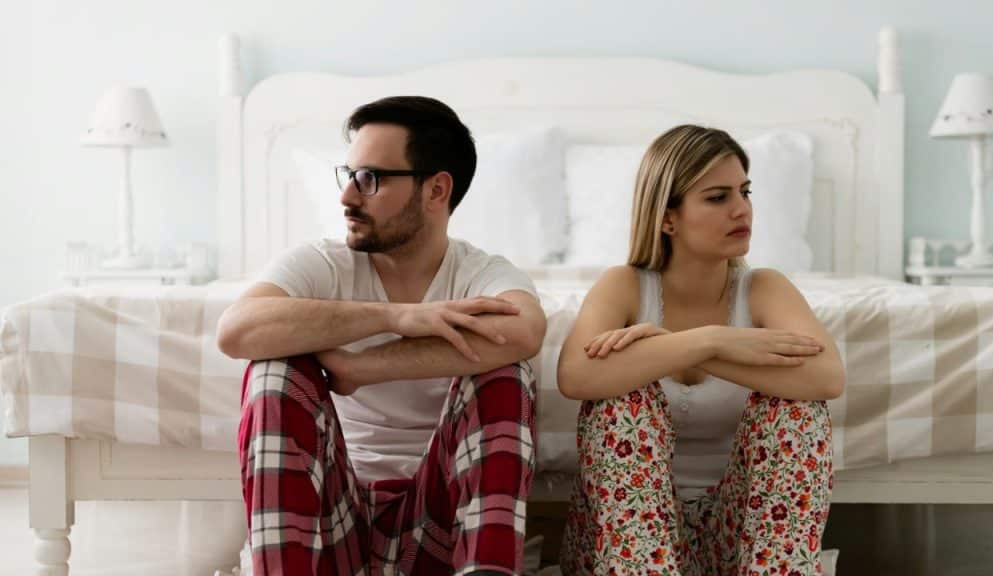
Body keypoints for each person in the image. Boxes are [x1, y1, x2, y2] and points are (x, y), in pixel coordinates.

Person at [217, 96, 546, 576]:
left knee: (507, 371)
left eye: (370, 179)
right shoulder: (323, 262)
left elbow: (525, 332)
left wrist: (363, 367)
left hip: (438, 524)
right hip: (329, 524)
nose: (347, 196)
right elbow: (236, 330)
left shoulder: (482, 273)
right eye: (347, 175)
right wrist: (394, 317)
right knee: (273, 370)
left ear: (436, 191)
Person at [557, 125, 845, 575]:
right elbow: (575, 376)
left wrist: (679, 347)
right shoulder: (625, 285)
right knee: (620, 401)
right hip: (628, 544)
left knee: (796, 410)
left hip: (741, 538)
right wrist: (711, 339)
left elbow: (827, 379)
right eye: (717, 197)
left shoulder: (764, 288)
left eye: (745, 192)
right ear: (667, 217)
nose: (741, 209)